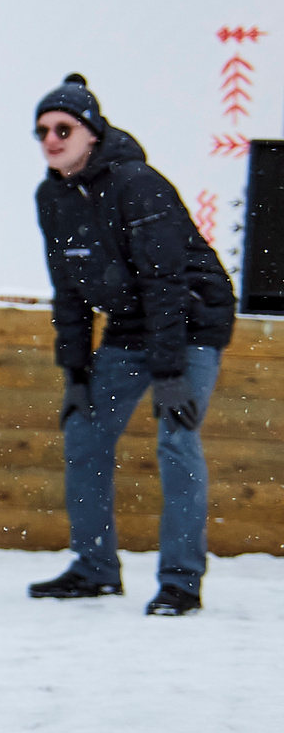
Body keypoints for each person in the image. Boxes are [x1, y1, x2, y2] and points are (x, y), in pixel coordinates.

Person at [27, 73, 236, 615]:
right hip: (129, 322)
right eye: (42, 130)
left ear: (91, 133)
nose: (51, 138)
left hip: (188, 318)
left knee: (176, 440)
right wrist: (74, 374)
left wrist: (169, 375)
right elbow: (68, 291)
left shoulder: (136, 182)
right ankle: (94, 568)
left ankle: (181, 582)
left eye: (63, 127)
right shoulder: (51, 196)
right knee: (85, 433)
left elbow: (164, 282)